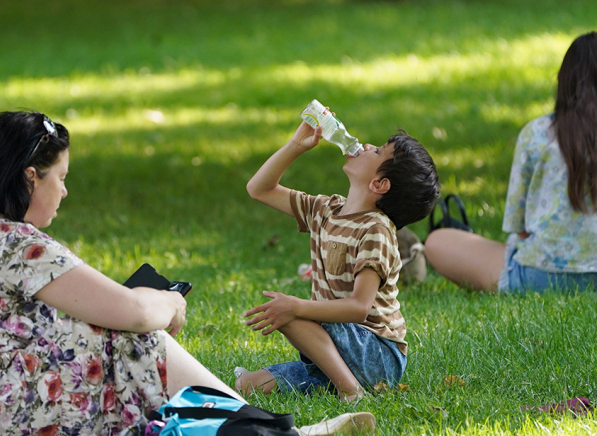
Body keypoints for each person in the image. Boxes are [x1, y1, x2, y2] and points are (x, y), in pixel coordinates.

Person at [0, 111, 245, 436]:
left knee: (91, 329)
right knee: (133, 336)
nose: (65, 191)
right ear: (31, 177)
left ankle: (228, 418)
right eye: (60, 177)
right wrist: (170, 302)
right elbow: (135, 313)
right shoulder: (12, 241)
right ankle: (247, 422)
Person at [236, 118, 439, 401]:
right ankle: (335, 380)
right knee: (247, 386)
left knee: (289, 313)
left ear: (380, 184)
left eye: (378, 151)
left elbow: (358, 307)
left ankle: (351, 390)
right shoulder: (326, 210)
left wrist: (297, 307)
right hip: (340, 348)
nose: (367, 145)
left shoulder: (375, 230)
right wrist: (295, 146)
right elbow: (259, 189)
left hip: (378, 355)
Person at [425, 32, 597, 293]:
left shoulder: (537, 133)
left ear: (564, 80)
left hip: (536, 275)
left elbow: (520, 227)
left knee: (439, 240)